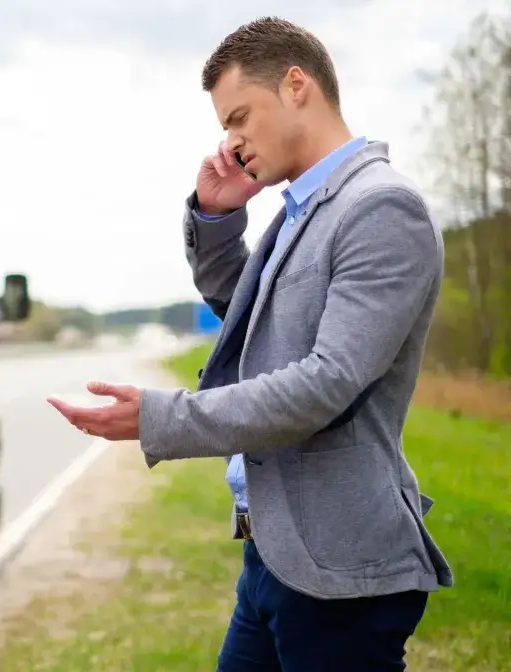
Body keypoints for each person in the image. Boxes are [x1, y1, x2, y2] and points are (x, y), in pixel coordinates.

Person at [46, 16, 453, 671]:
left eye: (239, 118)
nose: (232, 143)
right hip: (275, 553)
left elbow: (324, 383)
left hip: (338, 567)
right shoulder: (305, 208)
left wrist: (160, 418)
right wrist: (216, 218)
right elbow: (251, 317)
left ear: (297, 86)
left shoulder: (381, 209)